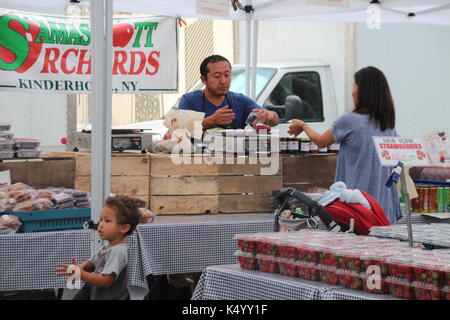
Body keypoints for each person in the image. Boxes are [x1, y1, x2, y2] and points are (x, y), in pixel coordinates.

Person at [288, 66, 402, 224]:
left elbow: (321, 141)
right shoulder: (389, 125)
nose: (352, 92)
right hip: (384, 207)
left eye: (355, 86)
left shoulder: (350, 120)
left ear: (363, 91)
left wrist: (303, 126)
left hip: (357, 208)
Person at [56, 195, 141, 300]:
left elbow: (106, 281)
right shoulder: (108, 247)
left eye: (107, 221)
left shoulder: (119, 251)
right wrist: (81, 267)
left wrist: (81, 274)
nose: (100, 225)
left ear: (124, 228)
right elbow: (92, 264)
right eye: (101, 220)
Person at [179, 55, 279, 131]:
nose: (223, 81)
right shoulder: (190, 100)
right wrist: (211, 121)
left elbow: (274, 119)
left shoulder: (239, 101)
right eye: (217, 76)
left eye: (227, 75)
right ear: (204, 79)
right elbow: (181, 129)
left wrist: (267, 115)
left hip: (233, 157)